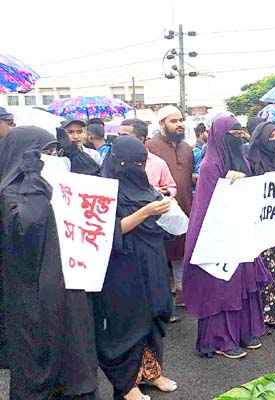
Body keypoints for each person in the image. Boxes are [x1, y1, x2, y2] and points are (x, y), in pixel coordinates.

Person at [1, 127, 98, 399]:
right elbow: (27, 229)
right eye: (46, 152)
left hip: (68, 292)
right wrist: (33, 179)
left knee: (76, 368)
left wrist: (73, 153)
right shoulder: (10, 193)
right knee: (37, 373)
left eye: (55, 151)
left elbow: (93, 182)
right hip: (31, 303)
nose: (52, 158)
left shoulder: (53, 187)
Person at [93, 136, 176, 400]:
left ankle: (152, 372)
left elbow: (158, 224)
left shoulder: (143, 184)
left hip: (151, 262)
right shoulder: (103, 189)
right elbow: (108, 231)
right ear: (118, 163)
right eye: (133, 164)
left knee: (154, 315)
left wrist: (163, 207)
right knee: (128, 323)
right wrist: (146, 212)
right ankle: (127, 385)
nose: (138, 169)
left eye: (143, 163)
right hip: (123, 268)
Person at [183, 116, 272, 359]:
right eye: (231, 133)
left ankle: (244, 332)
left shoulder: (241, 159)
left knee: (242, 282)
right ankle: (220, 338)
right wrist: (228, 184)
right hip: (216, 235)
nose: (237, 137)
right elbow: (210, 204)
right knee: (222, 287)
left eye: (239, 132)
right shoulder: (211, 165)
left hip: (240, 231)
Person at [146, 106, 195, 311]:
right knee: (162, 254)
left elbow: (188, 177)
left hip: (185, 207)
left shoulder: (187, 148)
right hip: (160, 209)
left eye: (181, 120)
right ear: (161, 124)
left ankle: (183, 294)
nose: (179, 124)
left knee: (182, 250)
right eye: (173, 121)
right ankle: (164, 302)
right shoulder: (150, 147)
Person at [246, 121, 275, 329]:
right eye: (270, 137)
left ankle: (273, 313)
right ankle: (258, 315)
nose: (274, 140)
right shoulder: (250, 161)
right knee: (261, 268)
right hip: (258, 225)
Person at [119, 118, 178, 198]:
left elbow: (171, 188)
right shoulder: (114, 161)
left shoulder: (158, 163)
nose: (119, 140)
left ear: (140, 139)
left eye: (124, 136)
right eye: (119, 135)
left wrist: (165, 192)